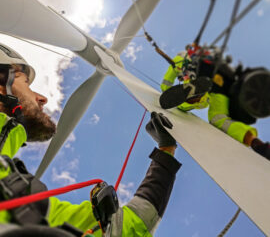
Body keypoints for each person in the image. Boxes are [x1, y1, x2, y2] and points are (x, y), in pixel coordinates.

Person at [0, 43, 182, 237]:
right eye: (26, 83)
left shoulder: (26, 202)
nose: (42, 98)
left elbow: (127, 228)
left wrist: (166, 150)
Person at [160, 48, 270, 160]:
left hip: (200, 75)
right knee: (220, 119)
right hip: (223, 83)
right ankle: (257, 144)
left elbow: (166, 81)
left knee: (188, 104)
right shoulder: (209, 55)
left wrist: (165, 91)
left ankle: (195, 96)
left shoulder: (179, 59)